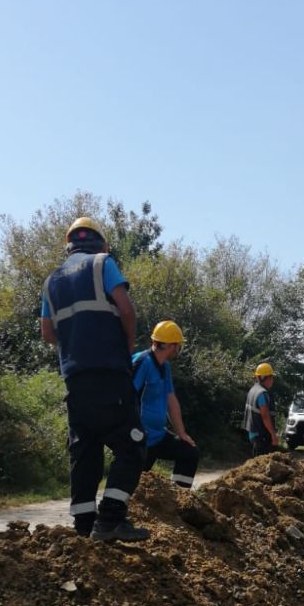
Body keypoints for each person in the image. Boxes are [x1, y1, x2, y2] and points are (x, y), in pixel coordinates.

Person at [40, 217, 148, 542]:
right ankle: (110, 520)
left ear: (69, 245)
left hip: (75, 380)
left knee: (84, 452)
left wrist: (76, 345)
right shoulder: (103, 264)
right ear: (101, 244)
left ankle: (84, 528)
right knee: (133, 445)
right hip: (110, 373)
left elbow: (47, 333)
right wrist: (125, 348)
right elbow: (126, 310)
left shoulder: (52, 280)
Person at [132, 321, 200, 488]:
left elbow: (171, 401)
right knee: (132, 485)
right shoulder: (142, 362)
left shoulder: (165, 367)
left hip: (158, 436)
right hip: (140, 438)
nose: (178, 350)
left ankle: (179, 499)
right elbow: (126, 397)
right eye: (178, 346)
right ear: (171, 346)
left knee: (189, 452)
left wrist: (182, 433)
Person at [243, 362, 278, 456]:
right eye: (271, 377)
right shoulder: (262, 393)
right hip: (261, 436)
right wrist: (273, 435)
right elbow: (265, 416)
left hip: (253, 434)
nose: (272, 380)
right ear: (265, 378)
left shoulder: (253, 390)